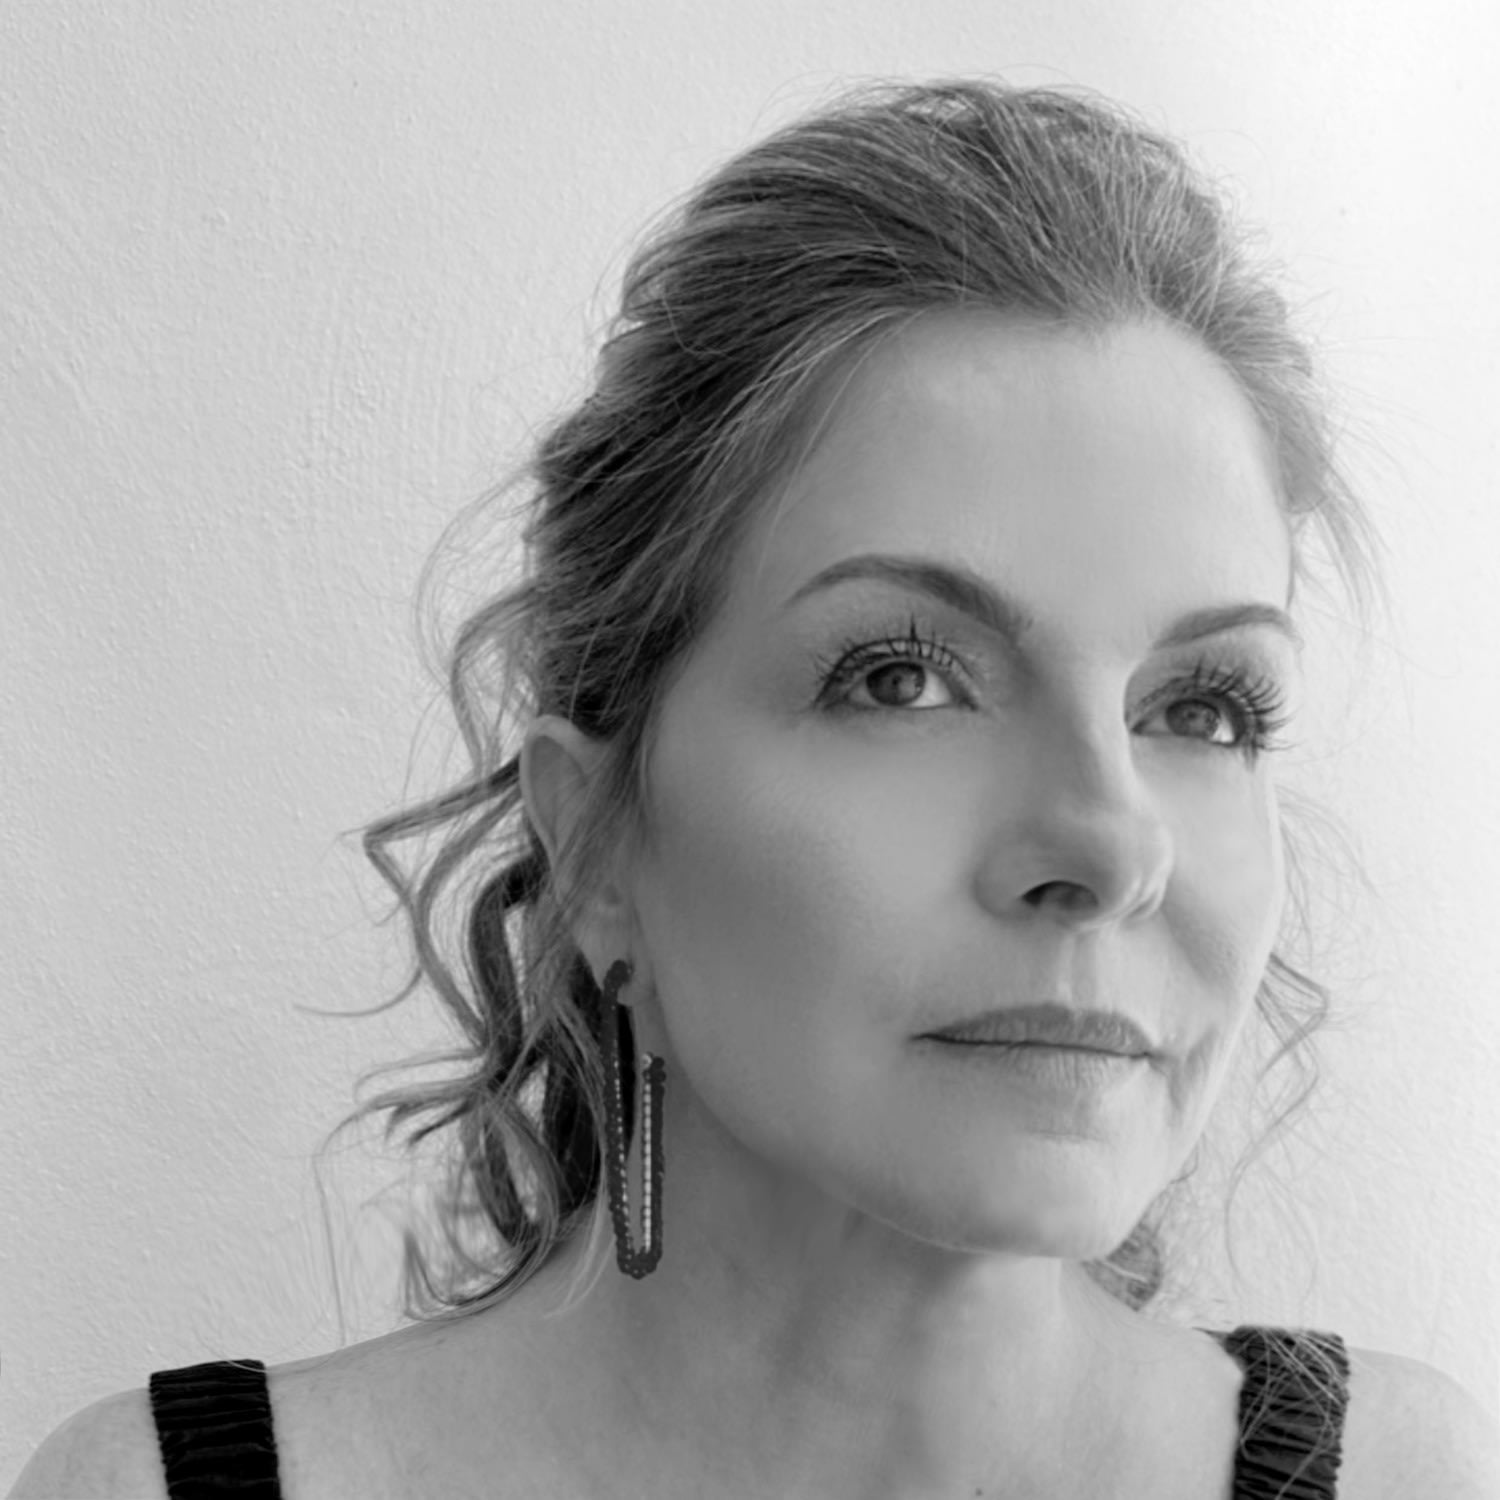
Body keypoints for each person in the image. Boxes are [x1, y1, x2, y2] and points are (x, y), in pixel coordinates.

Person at [12, 75, 1500, 1500]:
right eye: (900, 679)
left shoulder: (1404, 1480)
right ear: (596, 840)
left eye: (1206, 708)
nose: (1112, 842)